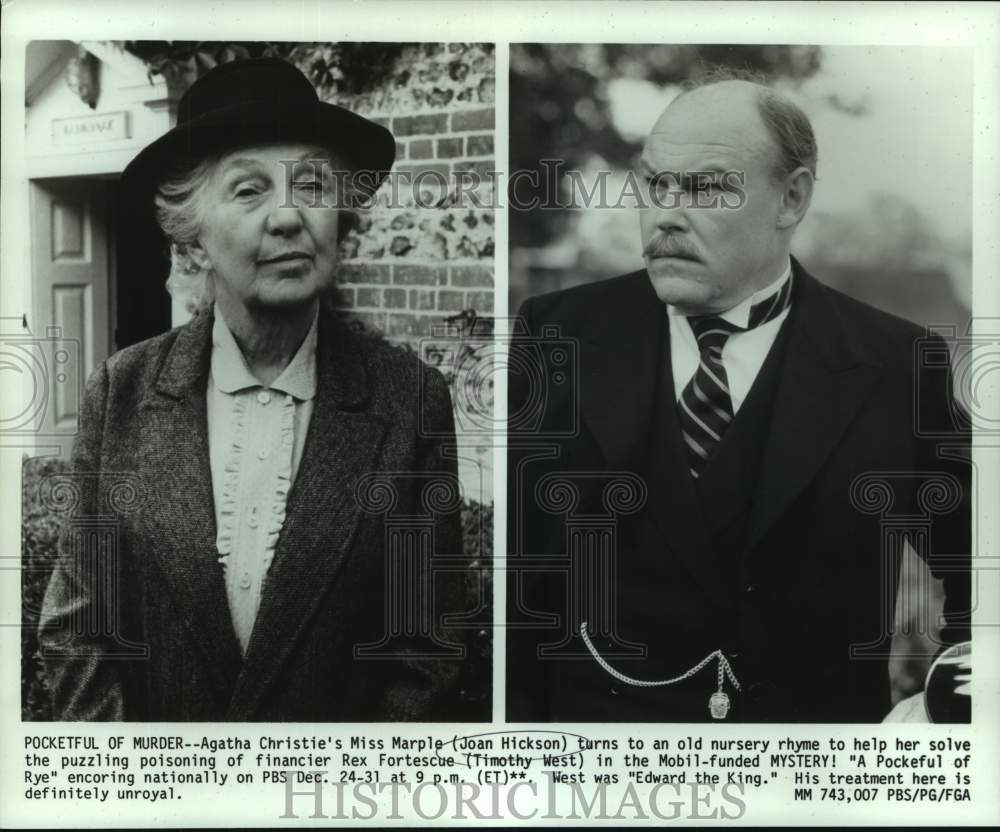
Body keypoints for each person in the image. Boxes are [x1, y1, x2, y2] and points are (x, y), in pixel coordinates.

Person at [506, 76, 971, 723]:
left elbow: (984, 557)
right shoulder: (558, 336)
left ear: (792, 196)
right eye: (654, 183)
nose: (666, 212)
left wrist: (951, 704)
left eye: (705, 187)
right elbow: (515, 592)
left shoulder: (894, 363)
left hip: (809, 786)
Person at [39, 58, 470, 721]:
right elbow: (78, 632)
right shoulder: (121, 392)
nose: (290, 216)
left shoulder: (409, 400)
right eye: (248, 191)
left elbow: (428, 648)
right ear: (192, 239)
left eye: (312, 184)